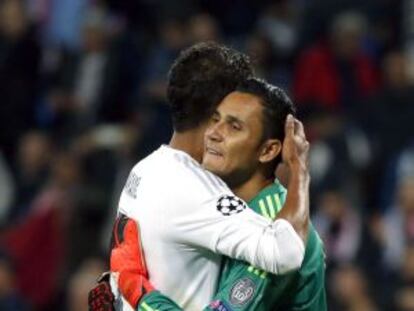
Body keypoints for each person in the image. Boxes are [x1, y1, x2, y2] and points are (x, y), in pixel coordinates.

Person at [91, 42, 310, 311]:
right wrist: (298, 168)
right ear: (218, 110)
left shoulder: (144, 169)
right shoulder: (196, 191)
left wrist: (134, 293)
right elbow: (286, 253)